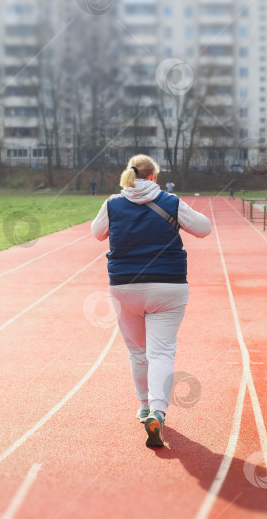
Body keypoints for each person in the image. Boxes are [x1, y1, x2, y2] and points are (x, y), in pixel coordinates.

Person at [91, 154, 211, 447]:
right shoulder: (170, 202)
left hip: (125, 287)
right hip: (168, 286)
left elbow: (97, 234)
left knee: (138, 353)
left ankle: (144, 407)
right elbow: (204, 229)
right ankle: (158, 411)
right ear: (154, 177)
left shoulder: (112, 203)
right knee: (162, 354)